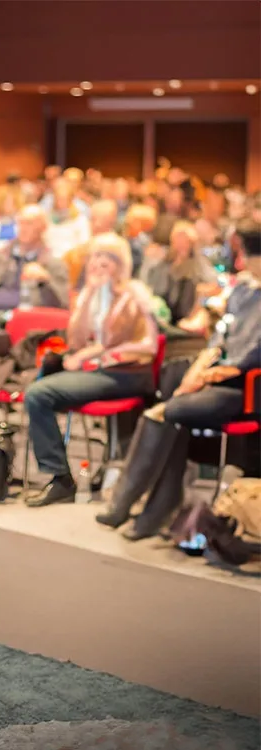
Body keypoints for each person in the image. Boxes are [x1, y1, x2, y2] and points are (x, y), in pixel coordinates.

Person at [97, 219, 261, 540]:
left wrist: (216, 372)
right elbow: (220, 337)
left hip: (246, 388)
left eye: (242, 254)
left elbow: (255, 352)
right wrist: (200, 369)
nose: (238, 261)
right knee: (166, 407)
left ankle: (141, 505)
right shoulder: (243, 289)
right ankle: (151, 506)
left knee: (170, 411)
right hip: (218, 378)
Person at [23, 233, 158, 506]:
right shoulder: (93, 292)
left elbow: (138, 343)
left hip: (129, 373)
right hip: (100, 371)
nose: (99, 263)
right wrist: (90, 296)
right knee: (37, 391)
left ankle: (60, 478)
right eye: (96, 256)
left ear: (121, 264)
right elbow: (76, 340)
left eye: (108, 258)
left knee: (38, 394)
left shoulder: (133, 294)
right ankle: (60, 477)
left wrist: (93, 356)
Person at [0, 204, 69, 313]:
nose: (23, 228)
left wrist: (46, 279)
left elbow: (63, 303)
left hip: (33, 322)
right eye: (21, 223)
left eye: (29, 223)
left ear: (43, 228)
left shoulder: (53, 262)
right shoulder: (0, 257)